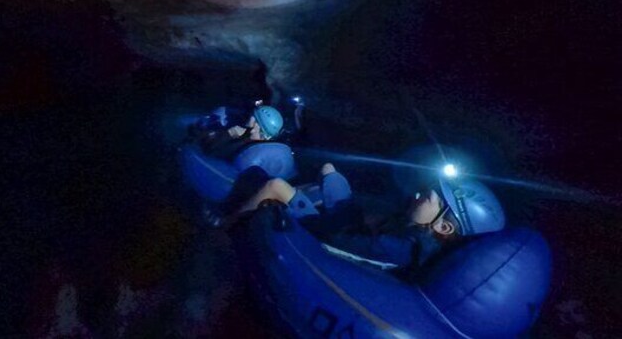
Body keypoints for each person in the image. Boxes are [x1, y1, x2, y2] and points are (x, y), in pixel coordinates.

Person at [229, 163, 506, 271]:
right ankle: (296, 195)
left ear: (444, 225)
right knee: (329, 171)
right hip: (350, 224)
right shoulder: (416, 234)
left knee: (275, 186)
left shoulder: (400, 248)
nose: (419, 195)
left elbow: (332, 241)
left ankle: (225, 224)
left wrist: (292, 211)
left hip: (327, 231)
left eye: (428, 197)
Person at [198, 102, 286, 160]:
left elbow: (213, 154)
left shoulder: (252, 149)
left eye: (261, 134)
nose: (252, 131)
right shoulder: (263, 145)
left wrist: (229, 134)